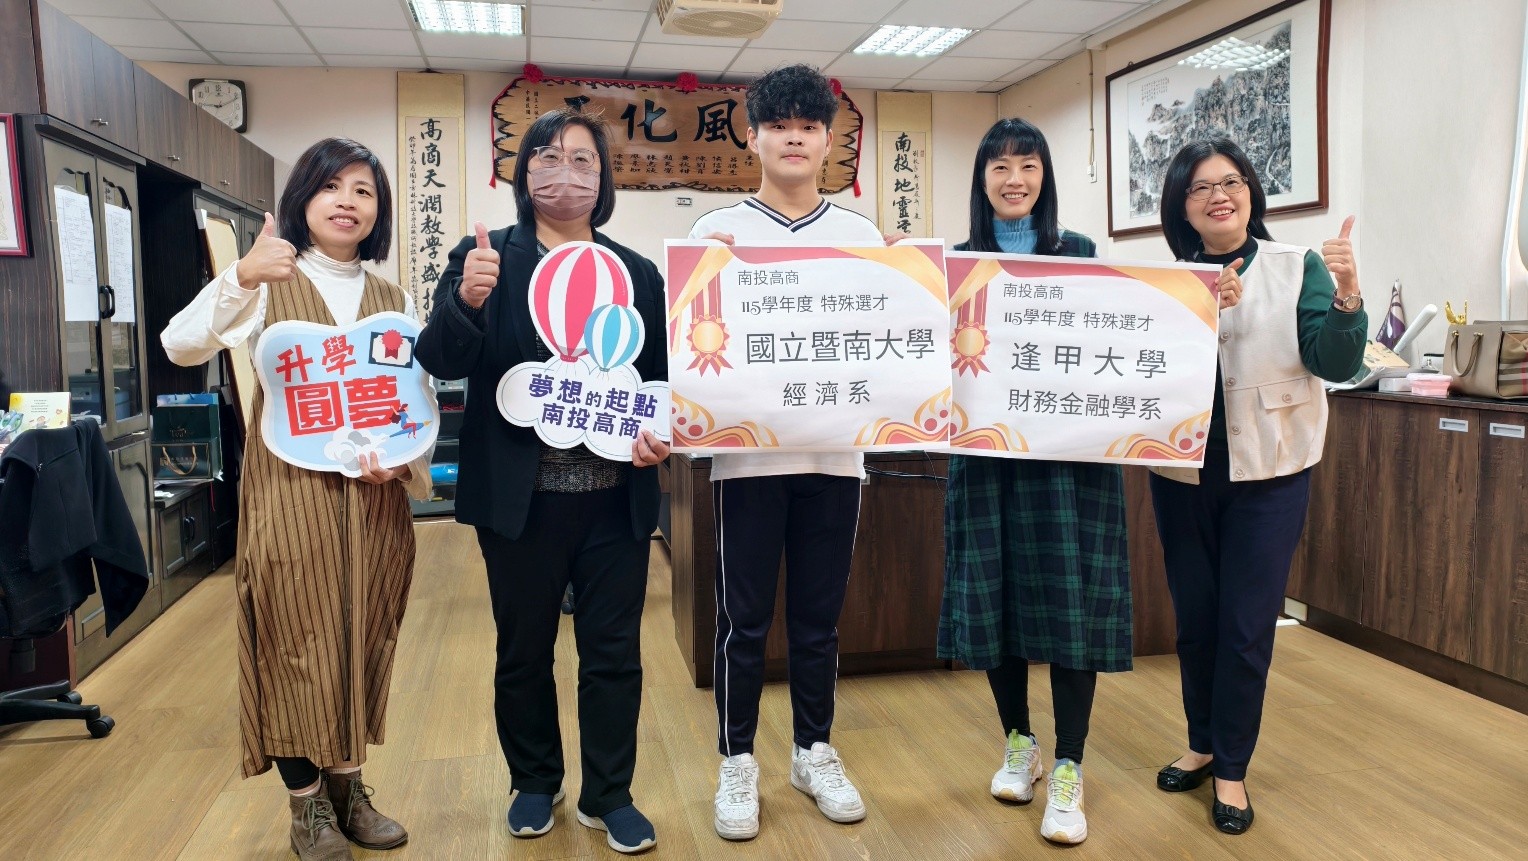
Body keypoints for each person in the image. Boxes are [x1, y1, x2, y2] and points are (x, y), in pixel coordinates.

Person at [162, 138, 430, 861]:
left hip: (374, 501)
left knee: (362, 629)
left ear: (378, 211)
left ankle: (347, 787)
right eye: (330, 186)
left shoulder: (394, 299)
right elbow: (180, 345)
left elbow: (413, 402)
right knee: (293, 638)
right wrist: (240, 276)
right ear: (302, 199)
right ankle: (306, 802)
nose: (348, 201)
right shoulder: (267, 282)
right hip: (289, 494)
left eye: (364, 190)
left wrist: (401, 464)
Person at [413, 107, 669, 856]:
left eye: (583, 159)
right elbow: (439, 359)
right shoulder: (485, 257)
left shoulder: (638, 273)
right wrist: (467, 300)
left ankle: (609, 793)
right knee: (523, 649)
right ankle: (534, 779)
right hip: (519, 503)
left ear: (604, 178)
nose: (566, 173)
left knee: (613, 653)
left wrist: (660, 436)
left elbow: (661, 383)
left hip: (616, 502)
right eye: (548, 158)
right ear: (523, 175)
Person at [1149, 138, 1365, 835]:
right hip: (1182, 472)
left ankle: (1233, 767)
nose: (1220, 196)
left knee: (1246, 628)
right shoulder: (1164, 279)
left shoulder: (1295, 265)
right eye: (1201, 187)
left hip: (1271, 471)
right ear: (1182, 206)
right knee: (1196, 620)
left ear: (1250, 193)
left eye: (1232, 182)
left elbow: (1333, 361)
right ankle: (1202, 742)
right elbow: (1140, 370)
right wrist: (1200, 311)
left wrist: (1348, 297)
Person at [688, 63, 881, 842]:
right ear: (753, 136)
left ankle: (813, 750)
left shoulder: (863, 238)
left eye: (808, 125)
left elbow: (888, 345)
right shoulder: (714, 233)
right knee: (744, 621)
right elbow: (693, 345)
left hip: (835, 459)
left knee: (817, 621)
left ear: (828, 140)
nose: (793, 138)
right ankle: (737, 759)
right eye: (778, 125)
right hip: (748, 463)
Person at [938, 117, 1127, 846]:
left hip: (1070, 462)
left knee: (1072, 603)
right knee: (998, 598)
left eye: (1028, 165)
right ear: (982, 180)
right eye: (1000, 166)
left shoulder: (1080, 254)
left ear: (1044, 177)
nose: (1014, 179)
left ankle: (1070, 763)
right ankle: (1020, 742)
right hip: (987, 458)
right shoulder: (955, 265)